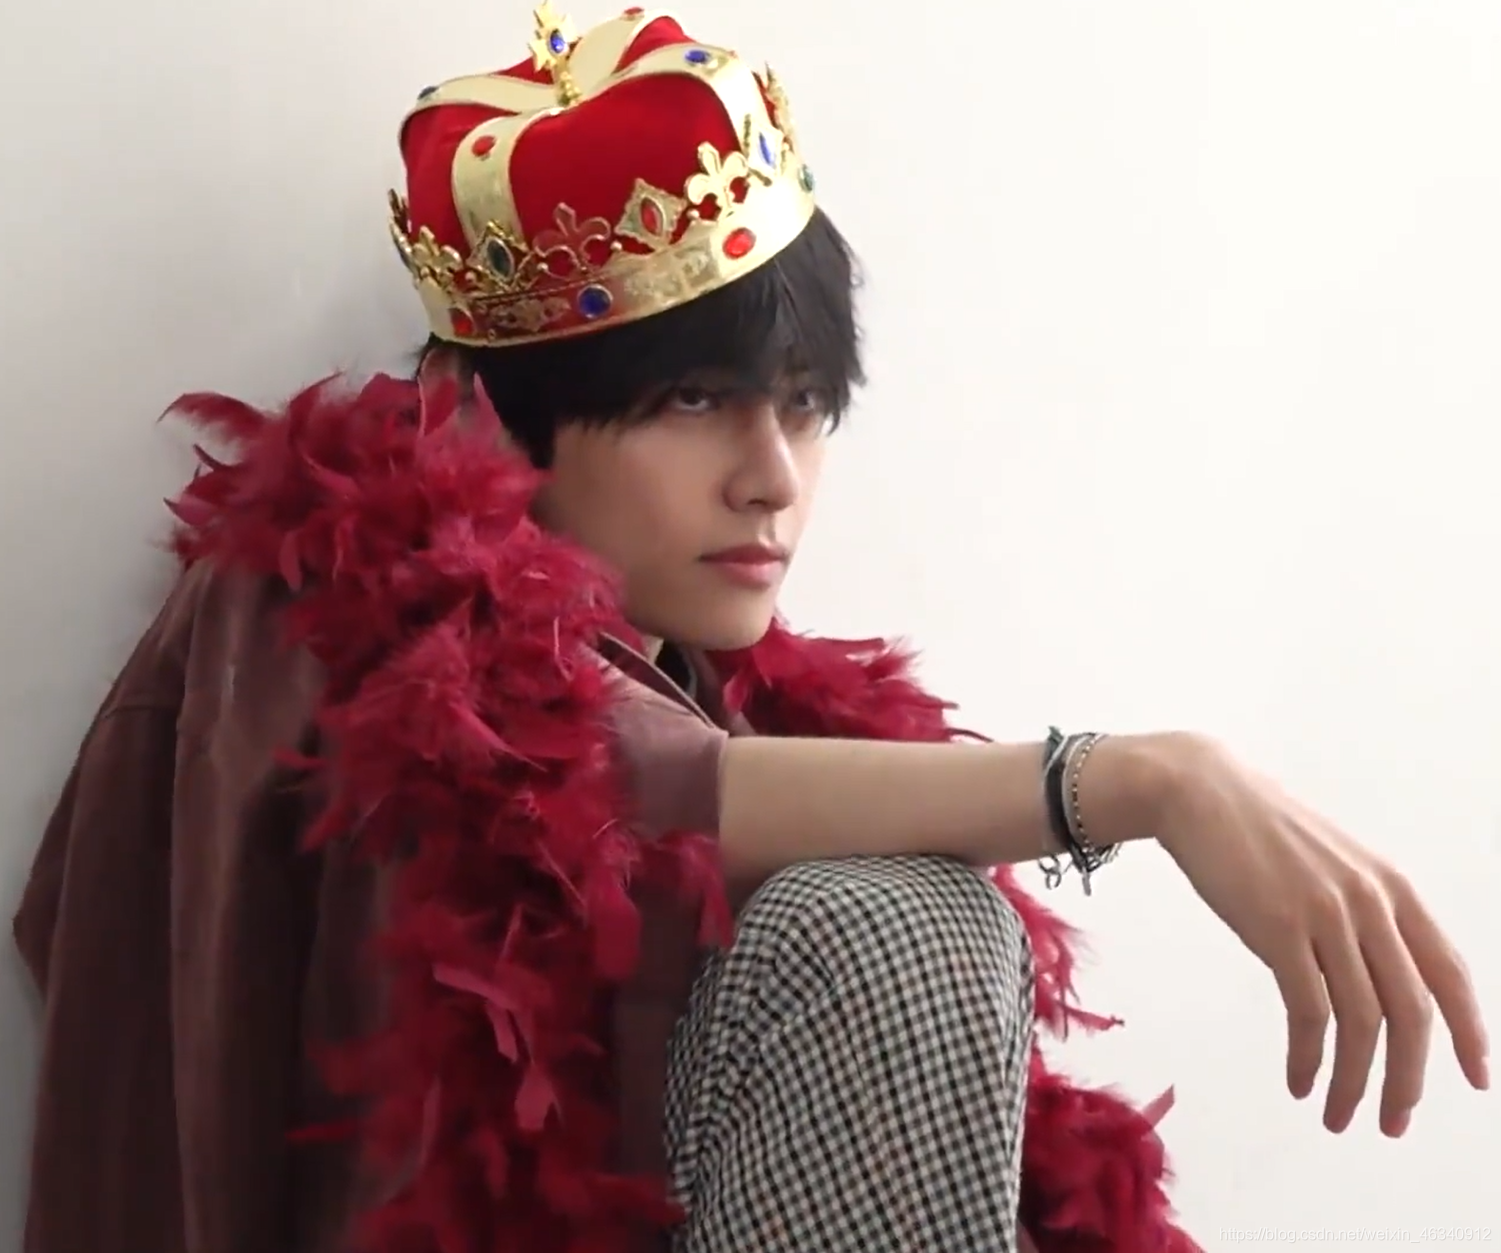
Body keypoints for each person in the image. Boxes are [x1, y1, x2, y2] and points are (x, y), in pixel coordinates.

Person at [12, 6, 1489, 1253]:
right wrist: (1142, 779)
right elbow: (595, 782)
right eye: (690, 399)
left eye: (803, 405)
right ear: (488, 422)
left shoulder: (724, 687)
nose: (772, 477)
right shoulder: (317, 594)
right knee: (892, 919)